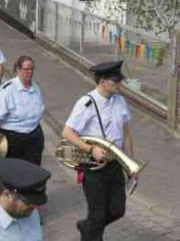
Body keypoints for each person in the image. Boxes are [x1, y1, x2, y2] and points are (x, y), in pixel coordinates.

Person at [62, 60, 135, 241]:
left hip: (115, 163)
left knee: (118, 210)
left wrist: (131, 165)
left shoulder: (120, 101)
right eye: (115, 80)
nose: (119, 84)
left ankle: (87, 227)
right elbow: (67, 132)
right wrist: (90, 148)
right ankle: (92, 234)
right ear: (103, 81)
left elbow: (126, 134)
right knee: (98, 214)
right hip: (94, 166)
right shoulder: (87, 103)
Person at [0, 56, 45, 165]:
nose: (30, 72)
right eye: (26, 69)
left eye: (32, 69)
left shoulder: (35, 86)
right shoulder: (8, 89)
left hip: (33, 135)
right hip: (13, 138)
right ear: (18, 70)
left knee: (32, 172)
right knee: (13, 173)